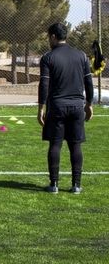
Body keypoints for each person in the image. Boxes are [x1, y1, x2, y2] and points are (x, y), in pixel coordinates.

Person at [38, 23, 93, 195]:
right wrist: (89, 104)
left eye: (49, 37)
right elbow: (89, 83)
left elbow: (44, 84)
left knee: (55, 144)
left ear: (53, 36)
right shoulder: (81, 56)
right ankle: (76, 185)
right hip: (77, 106)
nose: (48, 40)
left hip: (57, 106)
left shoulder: (48, 57)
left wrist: (41, 107)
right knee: (75, 145)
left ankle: (53, 184)